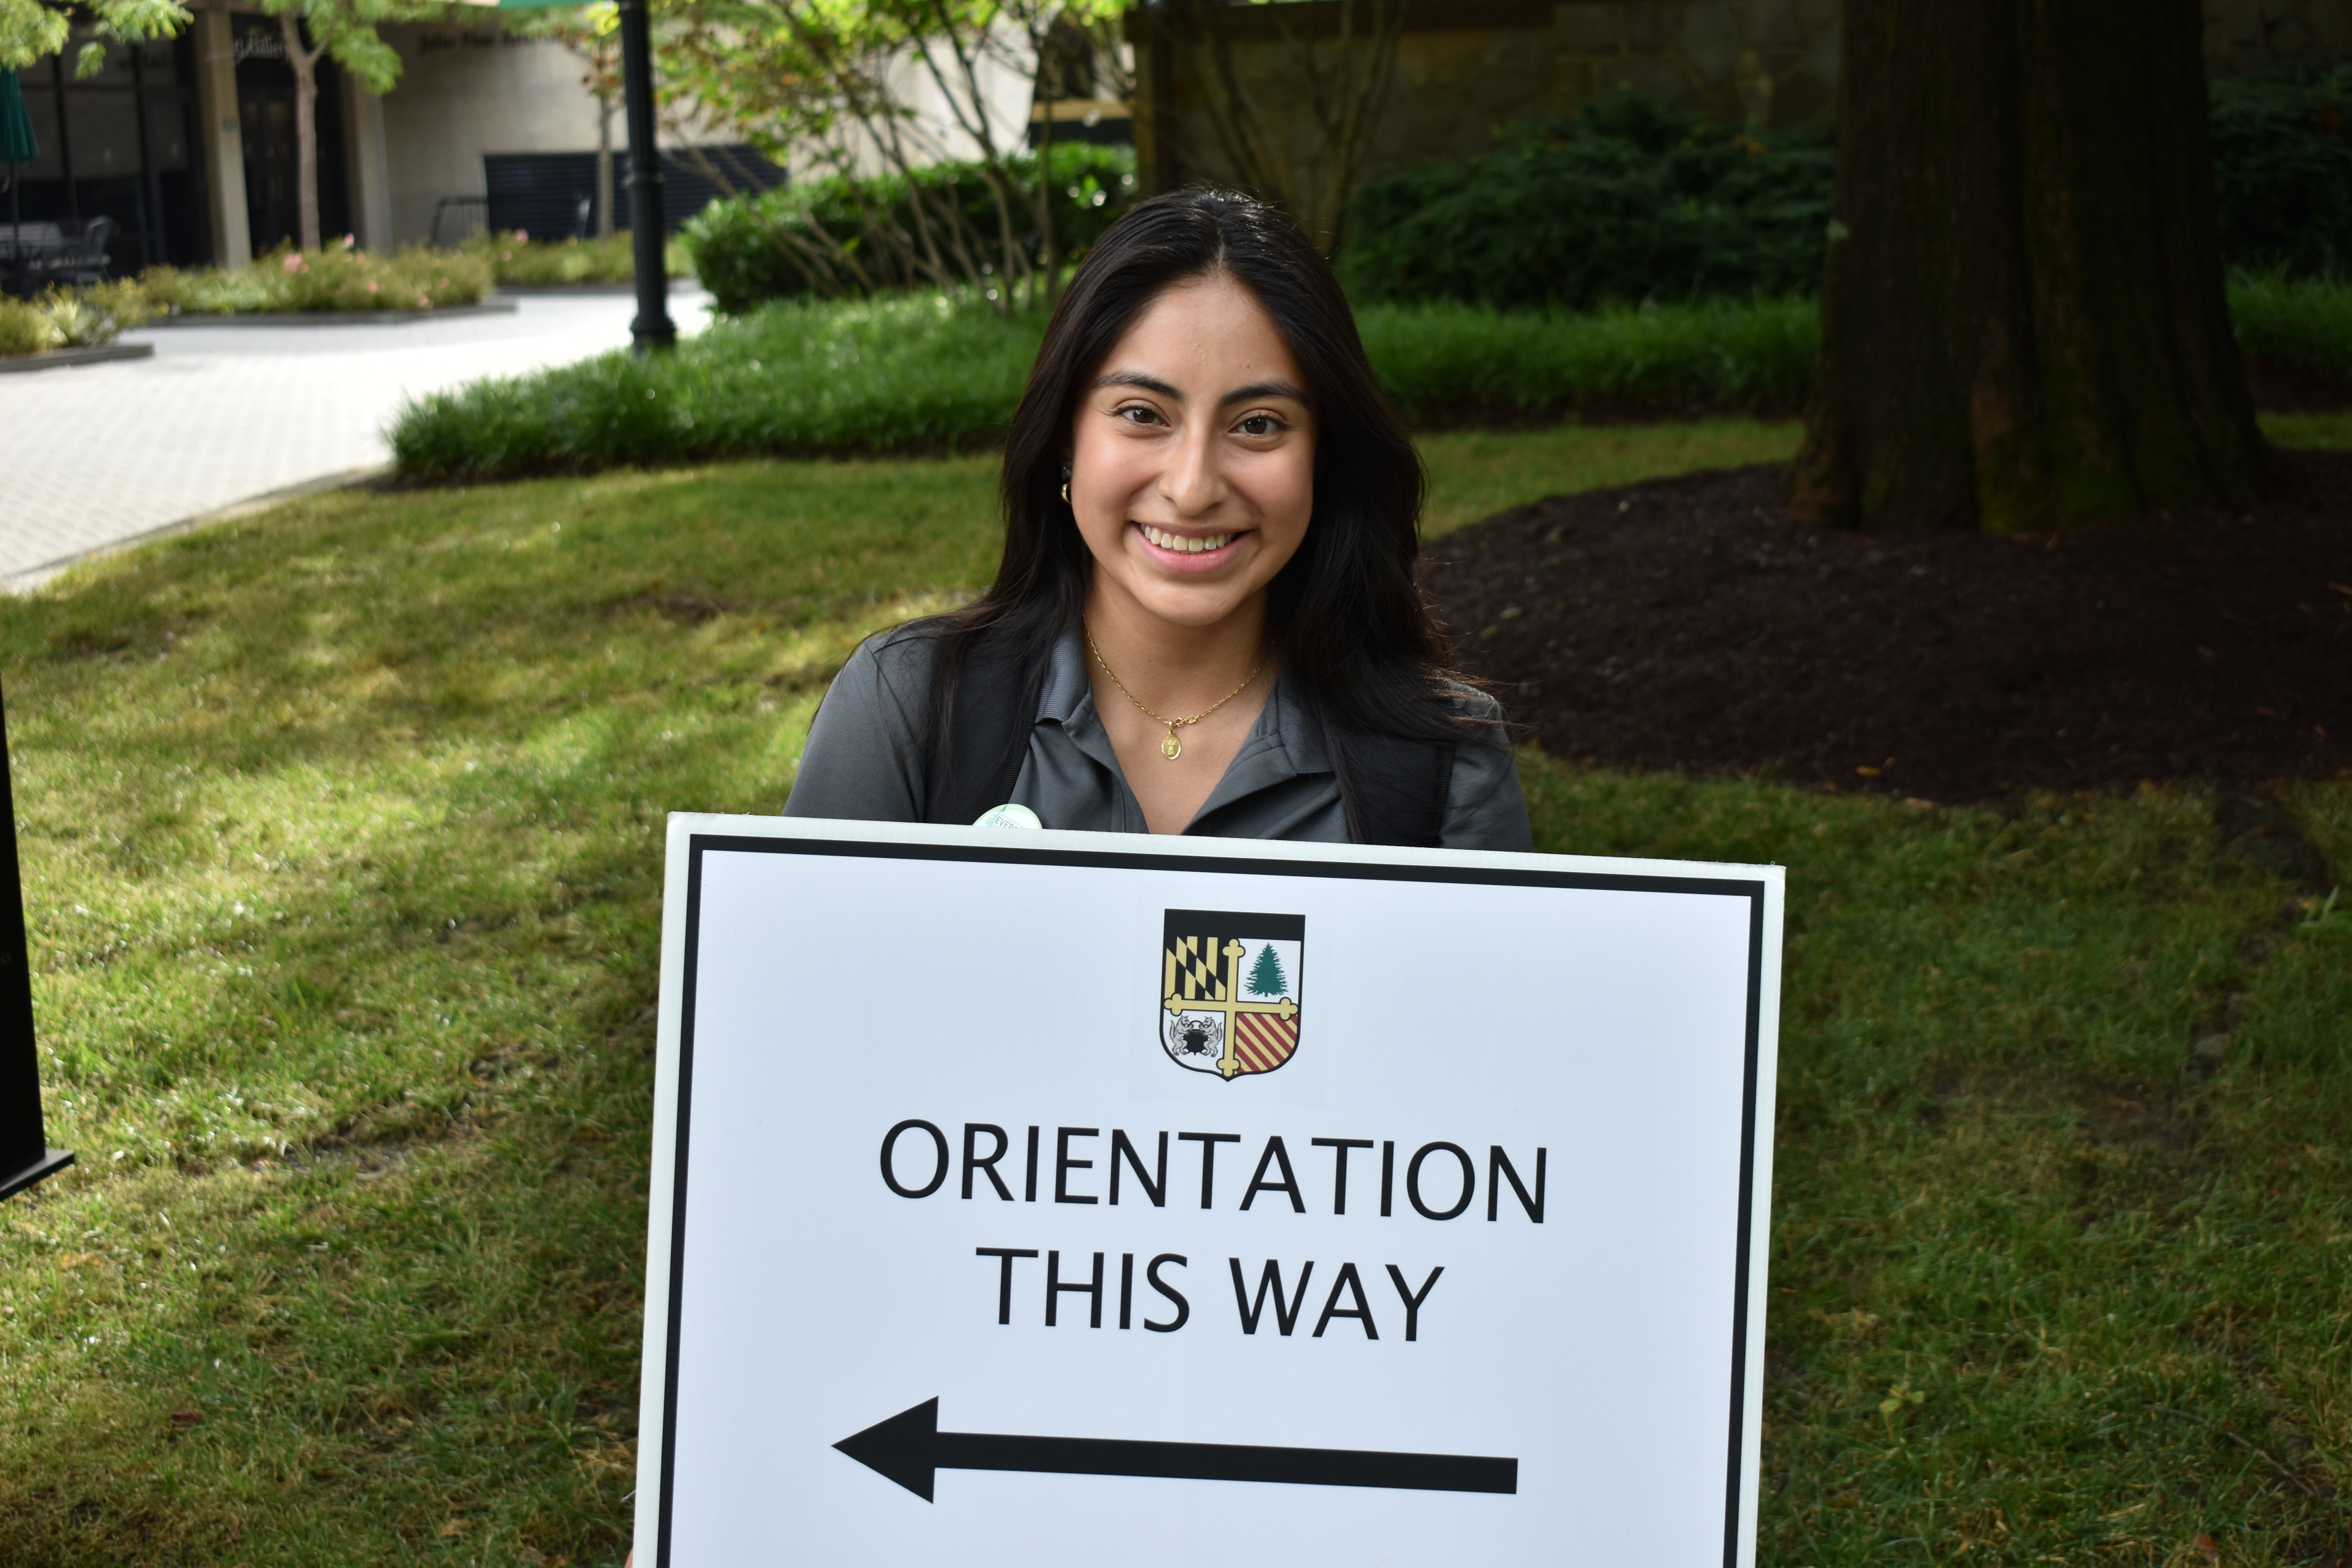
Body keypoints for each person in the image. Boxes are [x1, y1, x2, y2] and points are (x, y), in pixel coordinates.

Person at [784, 189, 1531, 851]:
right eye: (1142, 414)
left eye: (1260, 424)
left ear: (1326, 461)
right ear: (1065, 443)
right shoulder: (905, 707)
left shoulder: (1446, 763)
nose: (1194, 485)